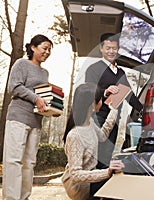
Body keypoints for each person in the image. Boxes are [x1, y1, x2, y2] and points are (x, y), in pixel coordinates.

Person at [63, 33, 143, 167]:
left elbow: (129, 96)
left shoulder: (121, 73)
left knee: (107, 155)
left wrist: (143, 110)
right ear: (101, 48)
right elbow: (88, 92)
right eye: (108, 48)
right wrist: (106, 91)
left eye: (114, 48)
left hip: (114, 120)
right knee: (95, 155)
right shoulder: (94, 69)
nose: (111, 51)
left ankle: (101, 183)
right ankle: (93, 184)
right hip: (97, 118)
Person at [2, 34, 54, 200]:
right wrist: (36, 98)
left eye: (49, 49)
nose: (47, 52)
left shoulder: (45, 72)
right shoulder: (22, 64)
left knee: (29, 163)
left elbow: (42, 95)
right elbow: (14, 87)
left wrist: (50, 108)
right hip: (18, 117)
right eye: (44, 48)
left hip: (36, 121)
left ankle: (24, 197)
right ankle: (11, 198)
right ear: (33, 47)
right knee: (14, 160)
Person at [62, 83, 125, 200]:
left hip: (91, 176)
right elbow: (75, 175)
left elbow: (102, 136)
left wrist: (113, 111)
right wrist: (106, 172)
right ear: (92, 105)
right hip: (80, 187)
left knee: (120, 169)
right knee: (114, 181)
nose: (102, 102)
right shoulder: (75, 136)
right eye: (100, 99)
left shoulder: (89, 123)